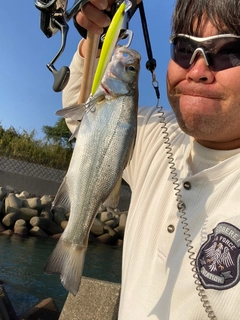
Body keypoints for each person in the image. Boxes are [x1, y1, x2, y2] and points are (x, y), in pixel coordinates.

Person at [62, 0, 240, 319]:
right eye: (184, 48)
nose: (198, 71)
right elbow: (82, 124)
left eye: (230, 52)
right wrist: (94, 43)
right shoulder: (151, 133)